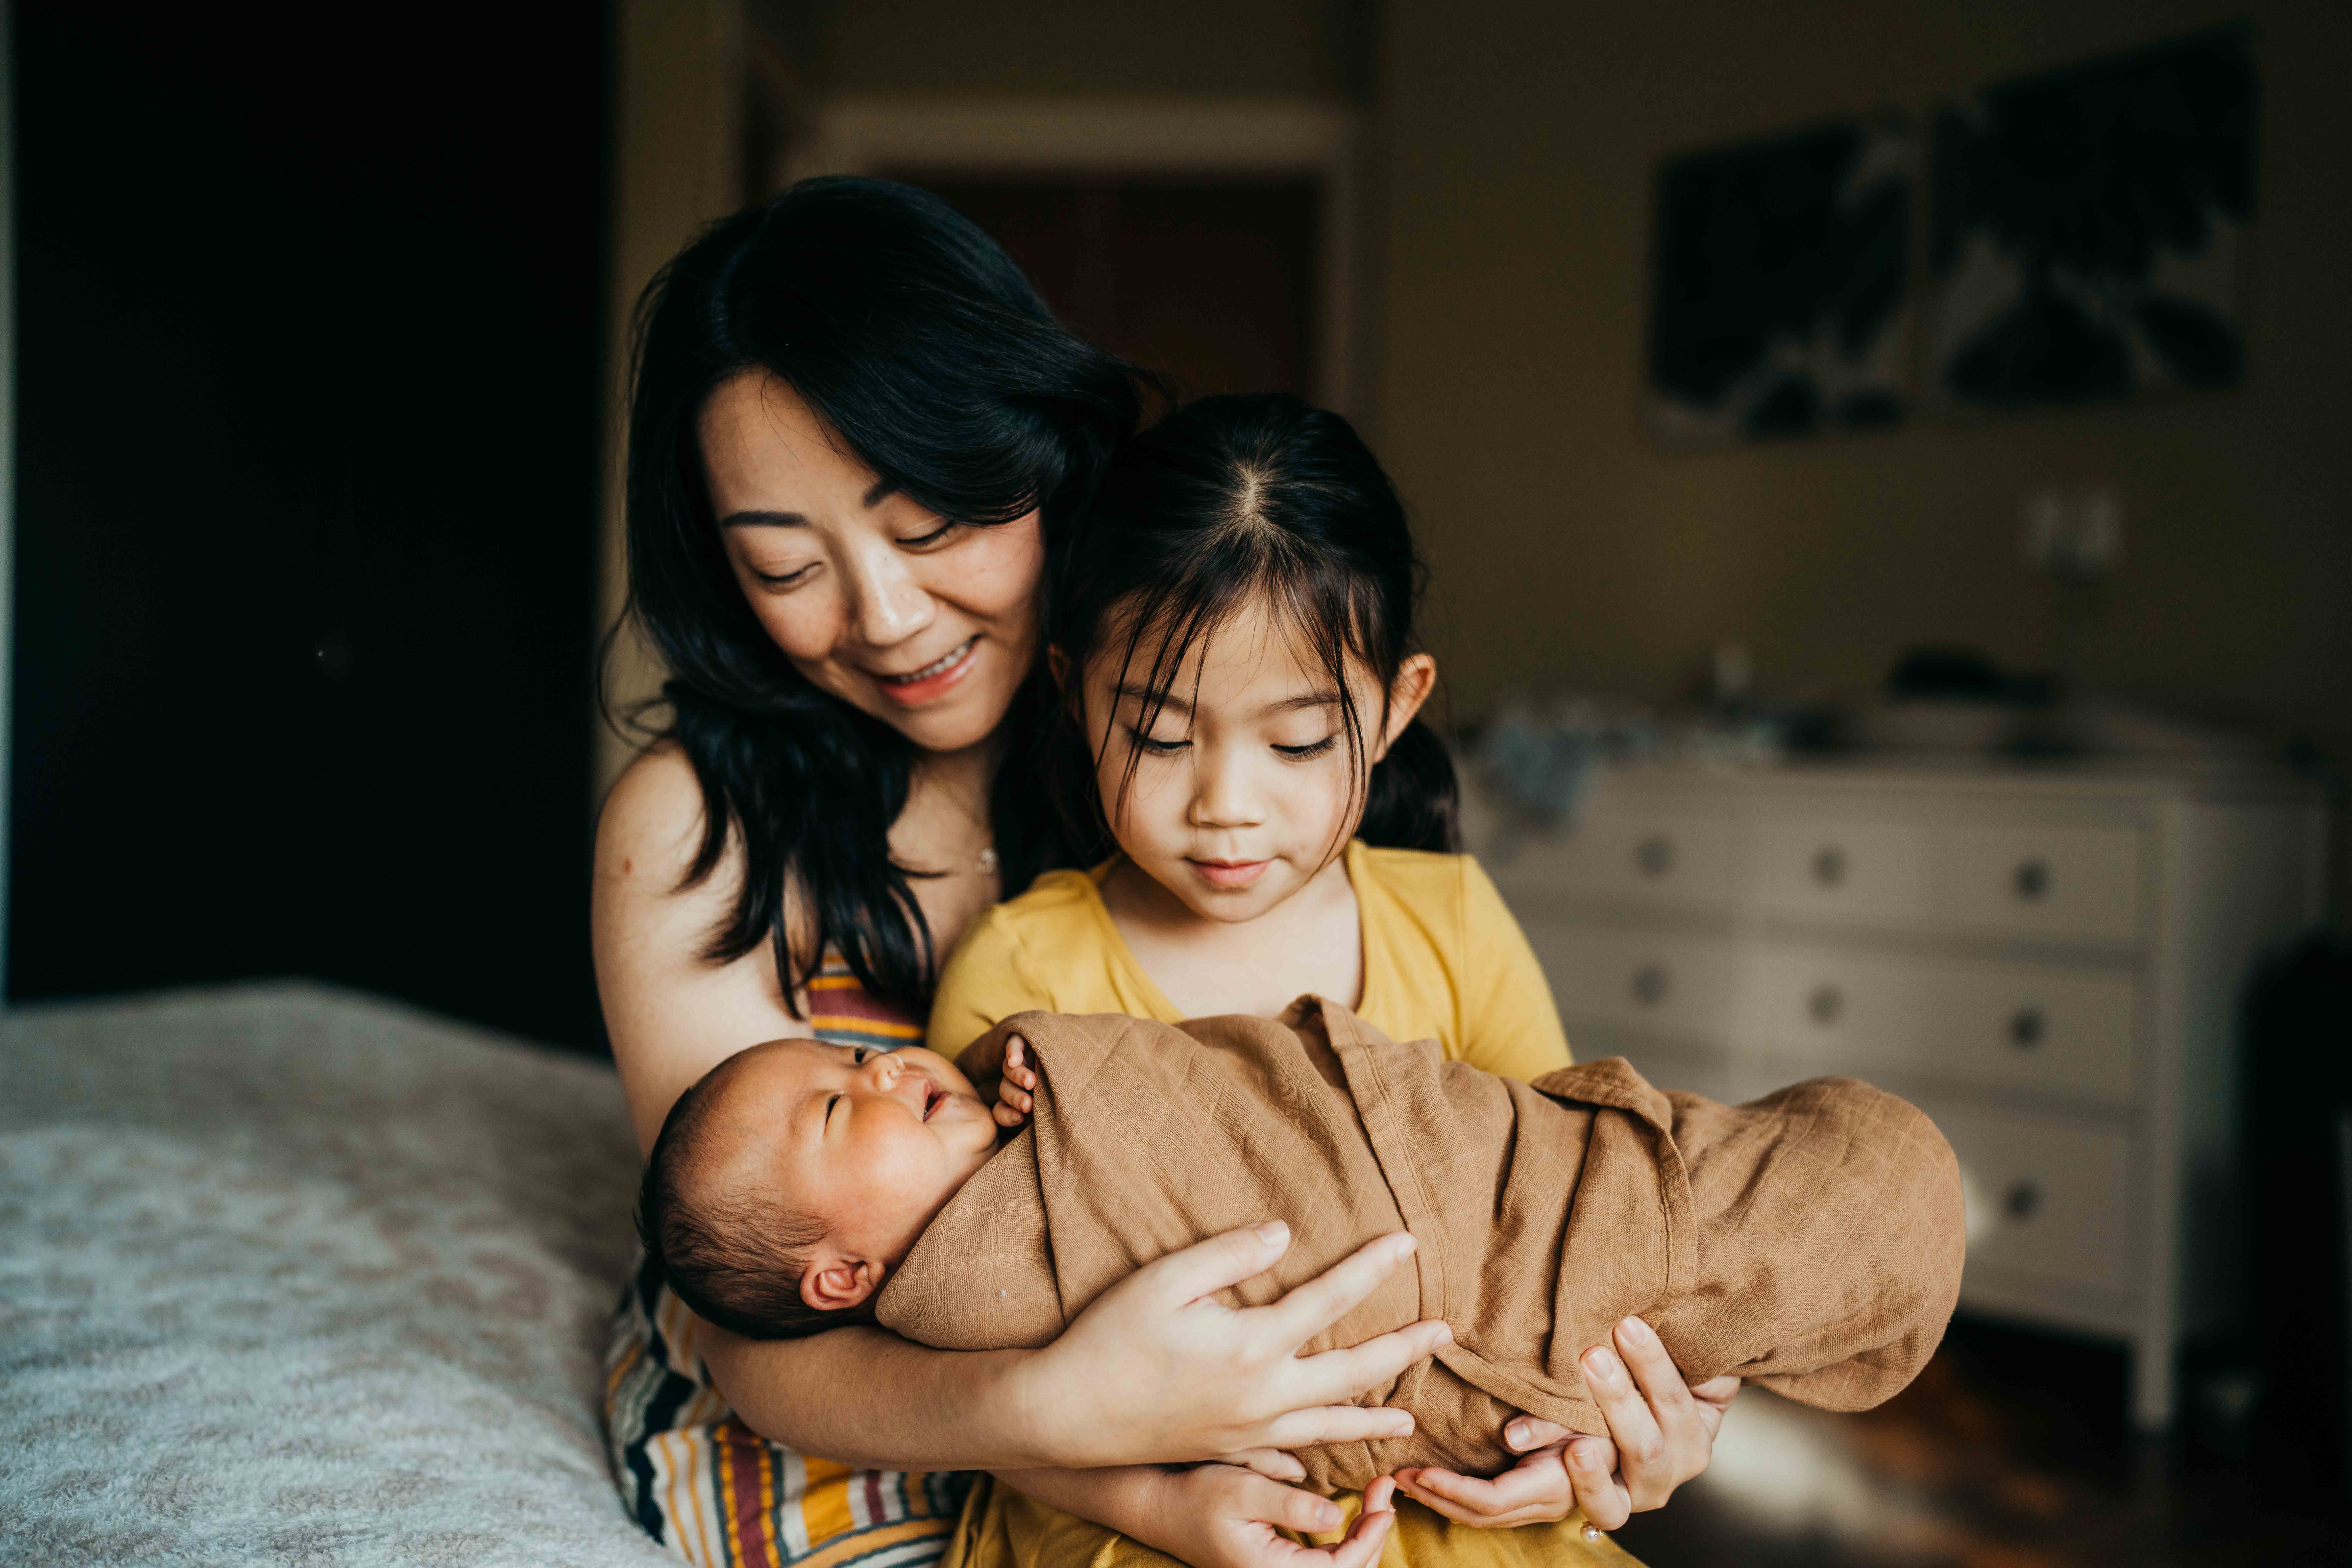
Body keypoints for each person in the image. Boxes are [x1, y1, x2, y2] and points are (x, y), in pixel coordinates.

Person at [595, 181, 1732, 1568]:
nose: (886, 619)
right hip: (890, 1423)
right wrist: (1097, 1435)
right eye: (785, 564)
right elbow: (753, 1318)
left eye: (933, 523)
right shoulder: (696, 827)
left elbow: (1519, 1177)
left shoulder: (1211, 767)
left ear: (1040, 458)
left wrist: (1621, 1425)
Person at [627, 1001, 1963, 1492]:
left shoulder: (1439, 906)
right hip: (1430, 1376)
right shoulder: (961, 1295)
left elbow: (1520, 1144)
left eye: (857, 1058)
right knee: (1870, 1187)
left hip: (1512, 1215)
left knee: (1694, 1208)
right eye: (834, 1108)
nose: (880, 1075)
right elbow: (1076, 1416)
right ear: (845, 1281)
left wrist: (1643, 1452)